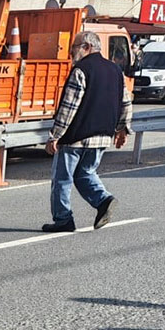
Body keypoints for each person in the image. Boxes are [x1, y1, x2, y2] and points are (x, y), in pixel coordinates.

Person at [43, 31, 131, 232]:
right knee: (85, 173)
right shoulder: (115, 70)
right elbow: (125, 101)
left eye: (74, 47)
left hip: (76, 137)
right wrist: (122, 128)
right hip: (102, 136)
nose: (72, 51)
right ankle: (104, 201)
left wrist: (55, 135)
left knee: (62, 179)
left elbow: (69, 107)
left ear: (86, 47)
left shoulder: (81, 70)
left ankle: (63, 219)